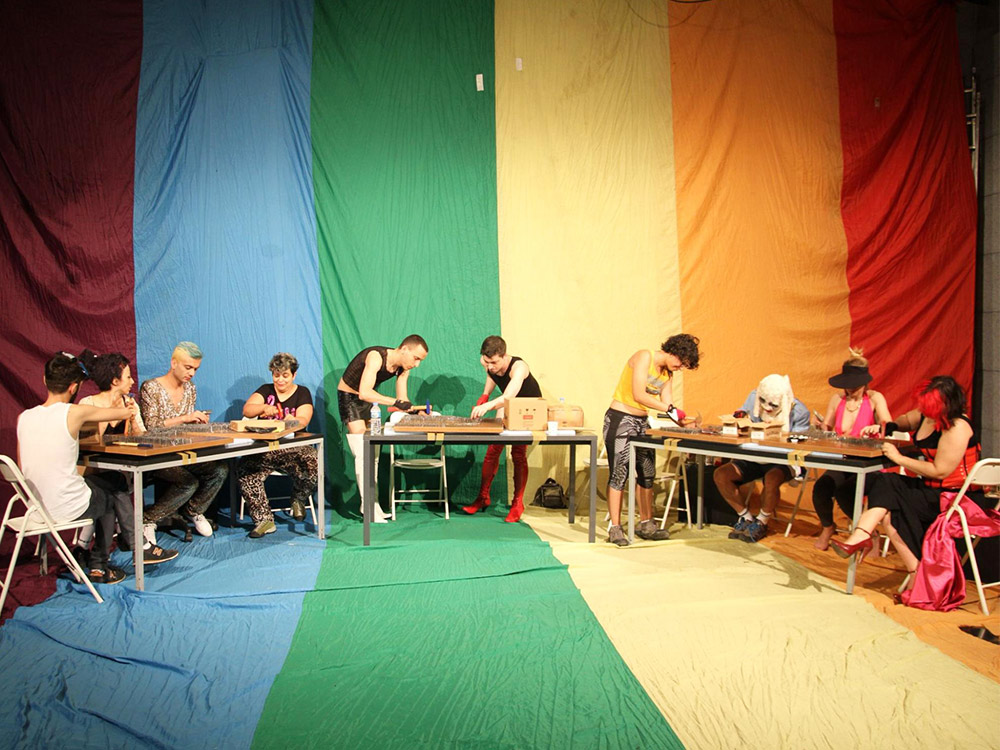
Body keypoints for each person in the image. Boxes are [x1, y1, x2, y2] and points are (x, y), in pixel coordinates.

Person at [831, 376, 984, 586]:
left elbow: (939, 471)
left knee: (891, 503)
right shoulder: (924, 416)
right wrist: (882, 428)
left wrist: (899, 458)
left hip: (956, 498)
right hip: (930, 490)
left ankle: (870, 541)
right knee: (875, 483)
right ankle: (865, 536)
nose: (925, 412)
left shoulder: (957, 428)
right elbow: (900, 423)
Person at [17, 353, 156, 584]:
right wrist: (128, 410)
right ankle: (102, 563)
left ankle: (105, 549)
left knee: (110, 483)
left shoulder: (24, 417)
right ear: (73, 388)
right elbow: (115, 414)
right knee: (111, 493)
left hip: (35, 507)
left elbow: (22, 468)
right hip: (67, 507)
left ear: (44, 380)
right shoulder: (73, 412)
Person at [76, 350, 178, 564]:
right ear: (115, 381)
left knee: (114, 485)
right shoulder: (88, 404)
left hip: (116, 470)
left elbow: (141, 437)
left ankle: (89, 551)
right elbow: (87, 443)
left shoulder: (129, 404)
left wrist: (131, 419)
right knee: (114, 486)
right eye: (128, 377)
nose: (132, 382)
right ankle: (138, 545)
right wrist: (116, 414)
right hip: (88, 471)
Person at [604, 335, 701, 547]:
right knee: (620, 473)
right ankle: (615, 526)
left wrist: (683, 422)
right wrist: (669, 409)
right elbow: (639, 394)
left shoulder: (667, 373)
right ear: (675, 351)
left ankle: (647, 524)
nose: (680, 367)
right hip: (620, 419)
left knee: (647, 472)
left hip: (642, 423)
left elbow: (669, 404)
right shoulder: (644, 356)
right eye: (681, 362)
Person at [138, 342, 228, 540]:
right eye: (188, 368)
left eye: (195, 369)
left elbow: (186, 427)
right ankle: (149, 519)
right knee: (188, 482)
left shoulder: (190, 388)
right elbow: (151, 427)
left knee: (220, 470)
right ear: (173, 363)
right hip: (156, 455)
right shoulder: (150, 388)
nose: (192, 373)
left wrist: (198, 423)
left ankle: (194, 510)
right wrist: (185, 418)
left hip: (185, 452)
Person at [337, 335, 428, 523]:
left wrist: (414, 412)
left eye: (420, 361)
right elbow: (364, 392)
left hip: (370, 401)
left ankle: (374, 503)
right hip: (351, 398)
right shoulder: (376, 356)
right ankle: (368, 506)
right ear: (404, 349)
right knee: (363, 451)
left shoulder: (404, 368)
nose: (417, 364)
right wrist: (395, 402)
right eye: (416, 358)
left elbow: (403, 401)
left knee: (374, 452)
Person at [713, 373, 811, 543]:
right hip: (753, 455)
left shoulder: (800, 412)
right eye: (763, 402)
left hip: (781, 460)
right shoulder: (753, 397)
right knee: (721, 474)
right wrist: (740, 420)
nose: (767, 408)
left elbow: (800, 446)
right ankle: (746, 518)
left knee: (772, 477)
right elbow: (741, 416)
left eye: (773, 404)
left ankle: (762, 521)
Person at [812, 349, 891, 550]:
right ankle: (828, 527)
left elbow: (889, 425)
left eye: (854, 386)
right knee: (821, 489)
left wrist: (877, 426)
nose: (849, 390)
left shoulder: (874, 398)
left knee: (845, 492)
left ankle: (867, 533)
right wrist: (819, 426)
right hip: (843, 460)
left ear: (864, 382)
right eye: (846, 385)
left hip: (867, 462)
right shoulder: (837, 399)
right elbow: (827, 427)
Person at [462, 336, 541, 523]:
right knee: (493, 450)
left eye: (494, 362)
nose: (489, 366)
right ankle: (483, 497)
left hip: (528, 407)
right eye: (486, 362)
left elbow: (508, 395)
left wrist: (487, 406)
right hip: (508, 404)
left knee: (518, 454)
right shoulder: (487, 361)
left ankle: (517, 503)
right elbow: (492, 376)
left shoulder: (519, 367)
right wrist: (484, 394)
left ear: (504, 356)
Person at [238, 353, 318, 538]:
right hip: (264, 450)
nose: (280, 380)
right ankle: (263, 520)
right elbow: (247, 410)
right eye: (276, 375)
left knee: (312, 459)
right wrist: (263, 408)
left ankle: (298, 499)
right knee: (244, 469)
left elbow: (304, 419)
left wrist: (293, 421)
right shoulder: (266, 390)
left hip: (292, 449)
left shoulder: (302, 392)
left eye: (285, 375)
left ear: (293, 375)